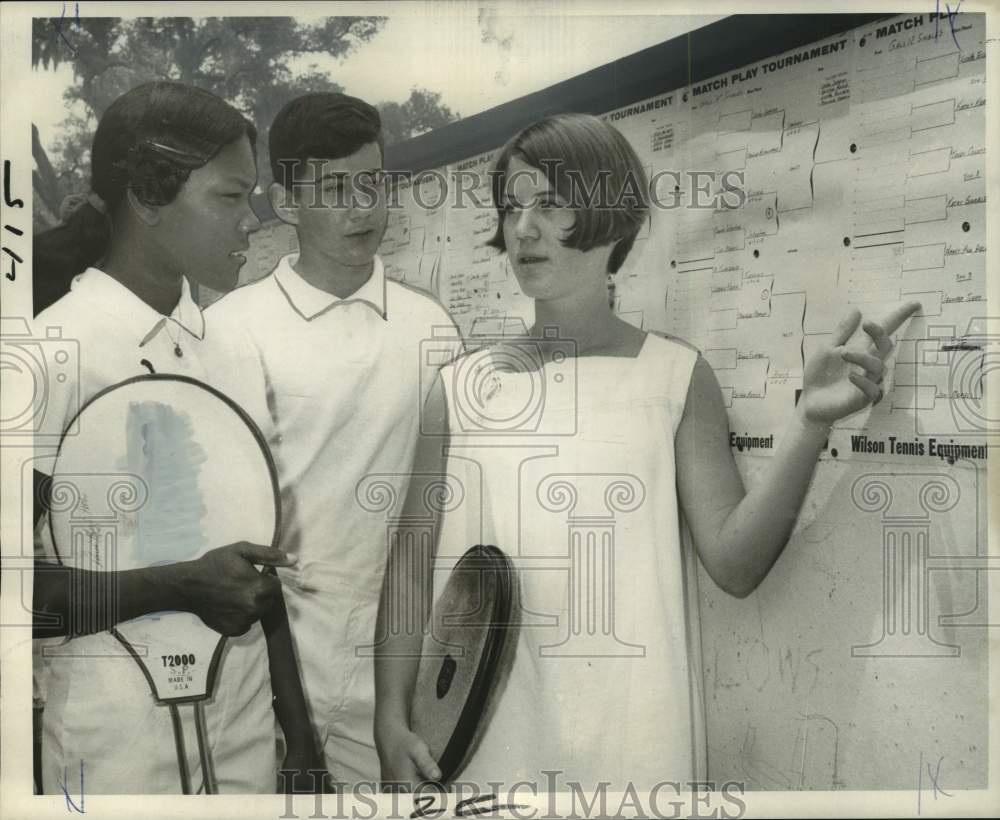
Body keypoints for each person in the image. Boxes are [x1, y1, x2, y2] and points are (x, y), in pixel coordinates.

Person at [373, 113, 920, 790]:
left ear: (611, 215)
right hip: (473, 752)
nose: (524, 230)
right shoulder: (456, 388)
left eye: (550, 204)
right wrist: (389, 719)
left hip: (630, 750)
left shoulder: (674, 376)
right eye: (513, 207)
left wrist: (809, 423)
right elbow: (408, 570)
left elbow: (735, 562)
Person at [31, 81, 323, 794]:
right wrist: (178, 585)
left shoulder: (231, 348)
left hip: (248, 737)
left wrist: (301, 735)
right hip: (115, 752)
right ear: (148, 198)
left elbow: (258, 566)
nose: (253, 221)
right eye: (230, 197)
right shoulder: (47, 354)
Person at [207, 92, 463, 785]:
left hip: (397, 675)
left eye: (373, 184)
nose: (363, 208)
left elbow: (437, 513)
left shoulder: (430, 328)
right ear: (287, 201)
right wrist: (286, 711)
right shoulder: (233, 330)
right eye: (335, 189)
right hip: (266, 676)